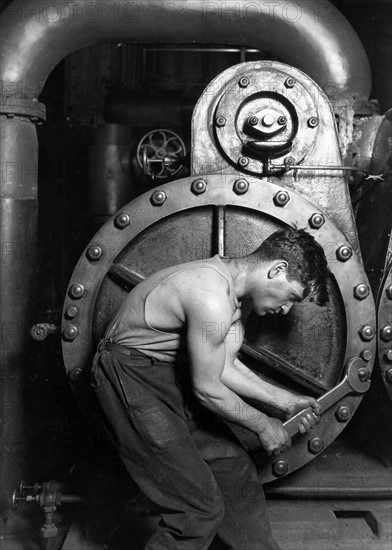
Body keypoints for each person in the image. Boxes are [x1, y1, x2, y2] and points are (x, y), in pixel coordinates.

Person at [91, 227, 329, 550]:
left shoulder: (236, 299)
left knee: (235, 472)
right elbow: (206, 388)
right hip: (129, 376)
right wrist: (264, 425)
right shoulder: (211, 295)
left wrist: (287, 402)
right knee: (198, 509)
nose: (286, 310)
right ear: (277, 270)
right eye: (291, 297)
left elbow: (224, 367)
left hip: (165, 374)